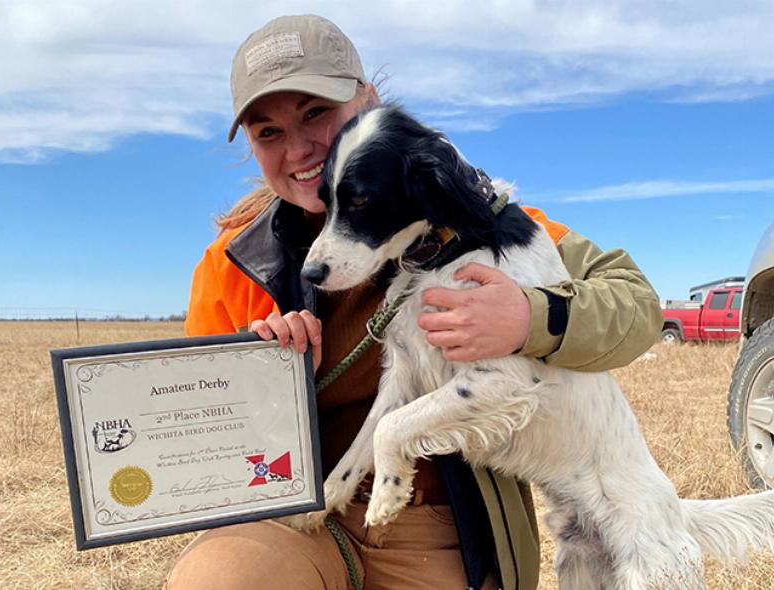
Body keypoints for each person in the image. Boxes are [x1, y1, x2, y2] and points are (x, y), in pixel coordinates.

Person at [165, 14, 663, 590]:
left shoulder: (471, 215)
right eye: (268, 132)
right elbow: (207, 441)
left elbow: (637, 305)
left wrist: (531, 317)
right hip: (297, 519)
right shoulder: (232, 265)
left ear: (368, 101)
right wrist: (264, 380)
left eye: (316, 112)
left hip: (441, 527)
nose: (299, 149)